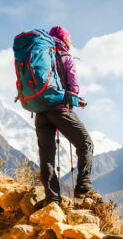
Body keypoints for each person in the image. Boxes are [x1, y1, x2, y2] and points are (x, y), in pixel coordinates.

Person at [35, 26, 98, 205]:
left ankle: (52, 199)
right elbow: (73, 87)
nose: (71, 42)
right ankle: (83, 187)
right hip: (60, 109)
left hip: (40, 110)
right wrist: (77, 100)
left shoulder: (41, 55)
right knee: (85, 143)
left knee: (46, 156)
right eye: (70, 39)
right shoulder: (65, 56)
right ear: (63, 39)